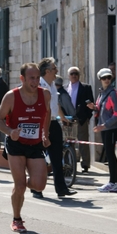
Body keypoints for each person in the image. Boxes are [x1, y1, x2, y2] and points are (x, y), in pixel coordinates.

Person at [0, 63, 51, 232]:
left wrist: (45, 134)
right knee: (19, 186)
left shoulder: (45, 94)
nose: (35, 82)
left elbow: (47, 114)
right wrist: (10, 131)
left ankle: (20, 184)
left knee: (39, 185)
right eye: (31, 78)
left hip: (35, 144)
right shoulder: (11, 97)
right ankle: (17, 218)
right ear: (22, 79)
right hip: (16, 144)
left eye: (37, 78)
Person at [31, 58, 77, 199]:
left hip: (53, 122)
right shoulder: (38, 85)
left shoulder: (52, 85)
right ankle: (36, 188)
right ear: (47, 71)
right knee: (38, 158)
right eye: (54, 68)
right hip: (40, 124)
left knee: (57, 157)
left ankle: (61, 188)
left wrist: (62, 118)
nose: (57, 70)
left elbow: (55, 106)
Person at [87, 68, 117, 193]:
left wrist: (104, 125)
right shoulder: (102, 93)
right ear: (100, 79)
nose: (107, 80)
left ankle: (114, 182)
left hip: (111, 128)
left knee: (111, 154)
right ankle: (113, 182)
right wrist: (94, 107)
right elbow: (102, 109)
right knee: (109, 153)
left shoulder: (112, 93)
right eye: (104, 78)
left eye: (109, 78)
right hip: (105, 128)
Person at [67, 66, 94, 173]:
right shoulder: (65, 88)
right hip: (68, 120)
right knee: (69, 142)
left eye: (76, 74)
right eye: (72, 74)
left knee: (83, 142)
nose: (74, 76)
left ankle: (85, 164)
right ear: (69, 76)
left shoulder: (86, 87)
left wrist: (87, 117)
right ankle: (70, 164)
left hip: (81, 118)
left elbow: (90, 102)